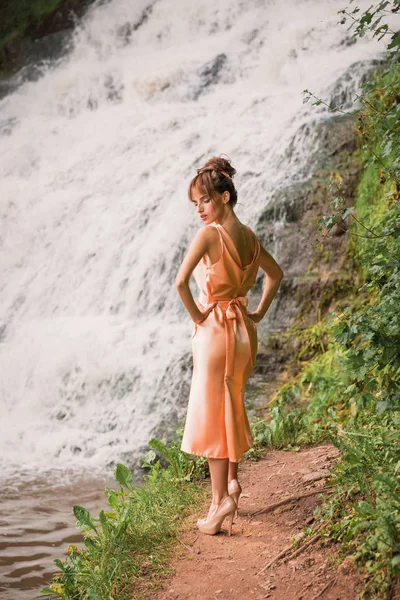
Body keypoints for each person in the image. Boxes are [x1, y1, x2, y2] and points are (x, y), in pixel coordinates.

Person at [175, 156, 284, 536]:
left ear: (224, 197)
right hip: (242, 332)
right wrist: (257, 313)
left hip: (216, 330)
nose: (200, 210)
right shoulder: (251, 238)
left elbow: (180, 282)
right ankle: (228, 490)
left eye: (204, 201)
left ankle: (221, 501)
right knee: (231, 406)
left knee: (211, 415)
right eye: (195, 204)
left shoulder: (210, 236)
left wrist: (199, 317)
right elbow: (276, 274)